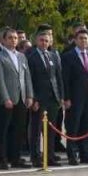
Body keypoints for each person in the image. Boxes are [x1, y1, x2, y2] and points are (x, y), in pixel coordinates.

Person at [0, 27, 32, 169]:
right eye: (10, 38)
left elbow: (27, 77)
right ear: (4, 39)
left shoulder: (22, 56)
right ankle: (2, 159)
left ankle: (16, 158)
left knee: (18, 130)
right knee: (3, 130)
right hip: (6, 100)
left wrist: (29, 95)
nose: (13, 40)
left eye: (15, 38)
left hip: (21, 98)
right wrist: (5, 98)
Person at [60, 28, 88, 164]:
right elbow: (65, 79)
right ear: (75, 40)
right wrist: (66, 98)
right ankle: (72, 155)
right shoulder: (68, 56)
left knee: (87, 126)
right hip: (75, 97)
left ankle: (85, 153)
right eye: (81, 38)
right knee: (73, 126)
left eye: (85, 38)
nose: (84, 41)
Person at [26, 25, 64, 168]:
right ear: (36, 41)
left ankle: (49, 156)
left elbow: (58, 77)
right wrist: (33, 98)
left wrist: (61, 96)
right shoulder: (31, 57)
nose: (44, 43)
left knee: (51, 129)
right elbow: (29, 79)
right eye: (41, 40)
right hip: (39, 99)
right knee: (36, 129)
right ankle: (35, 157)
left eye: (46, 41)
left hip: (53, 98)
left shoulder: (53, 55)